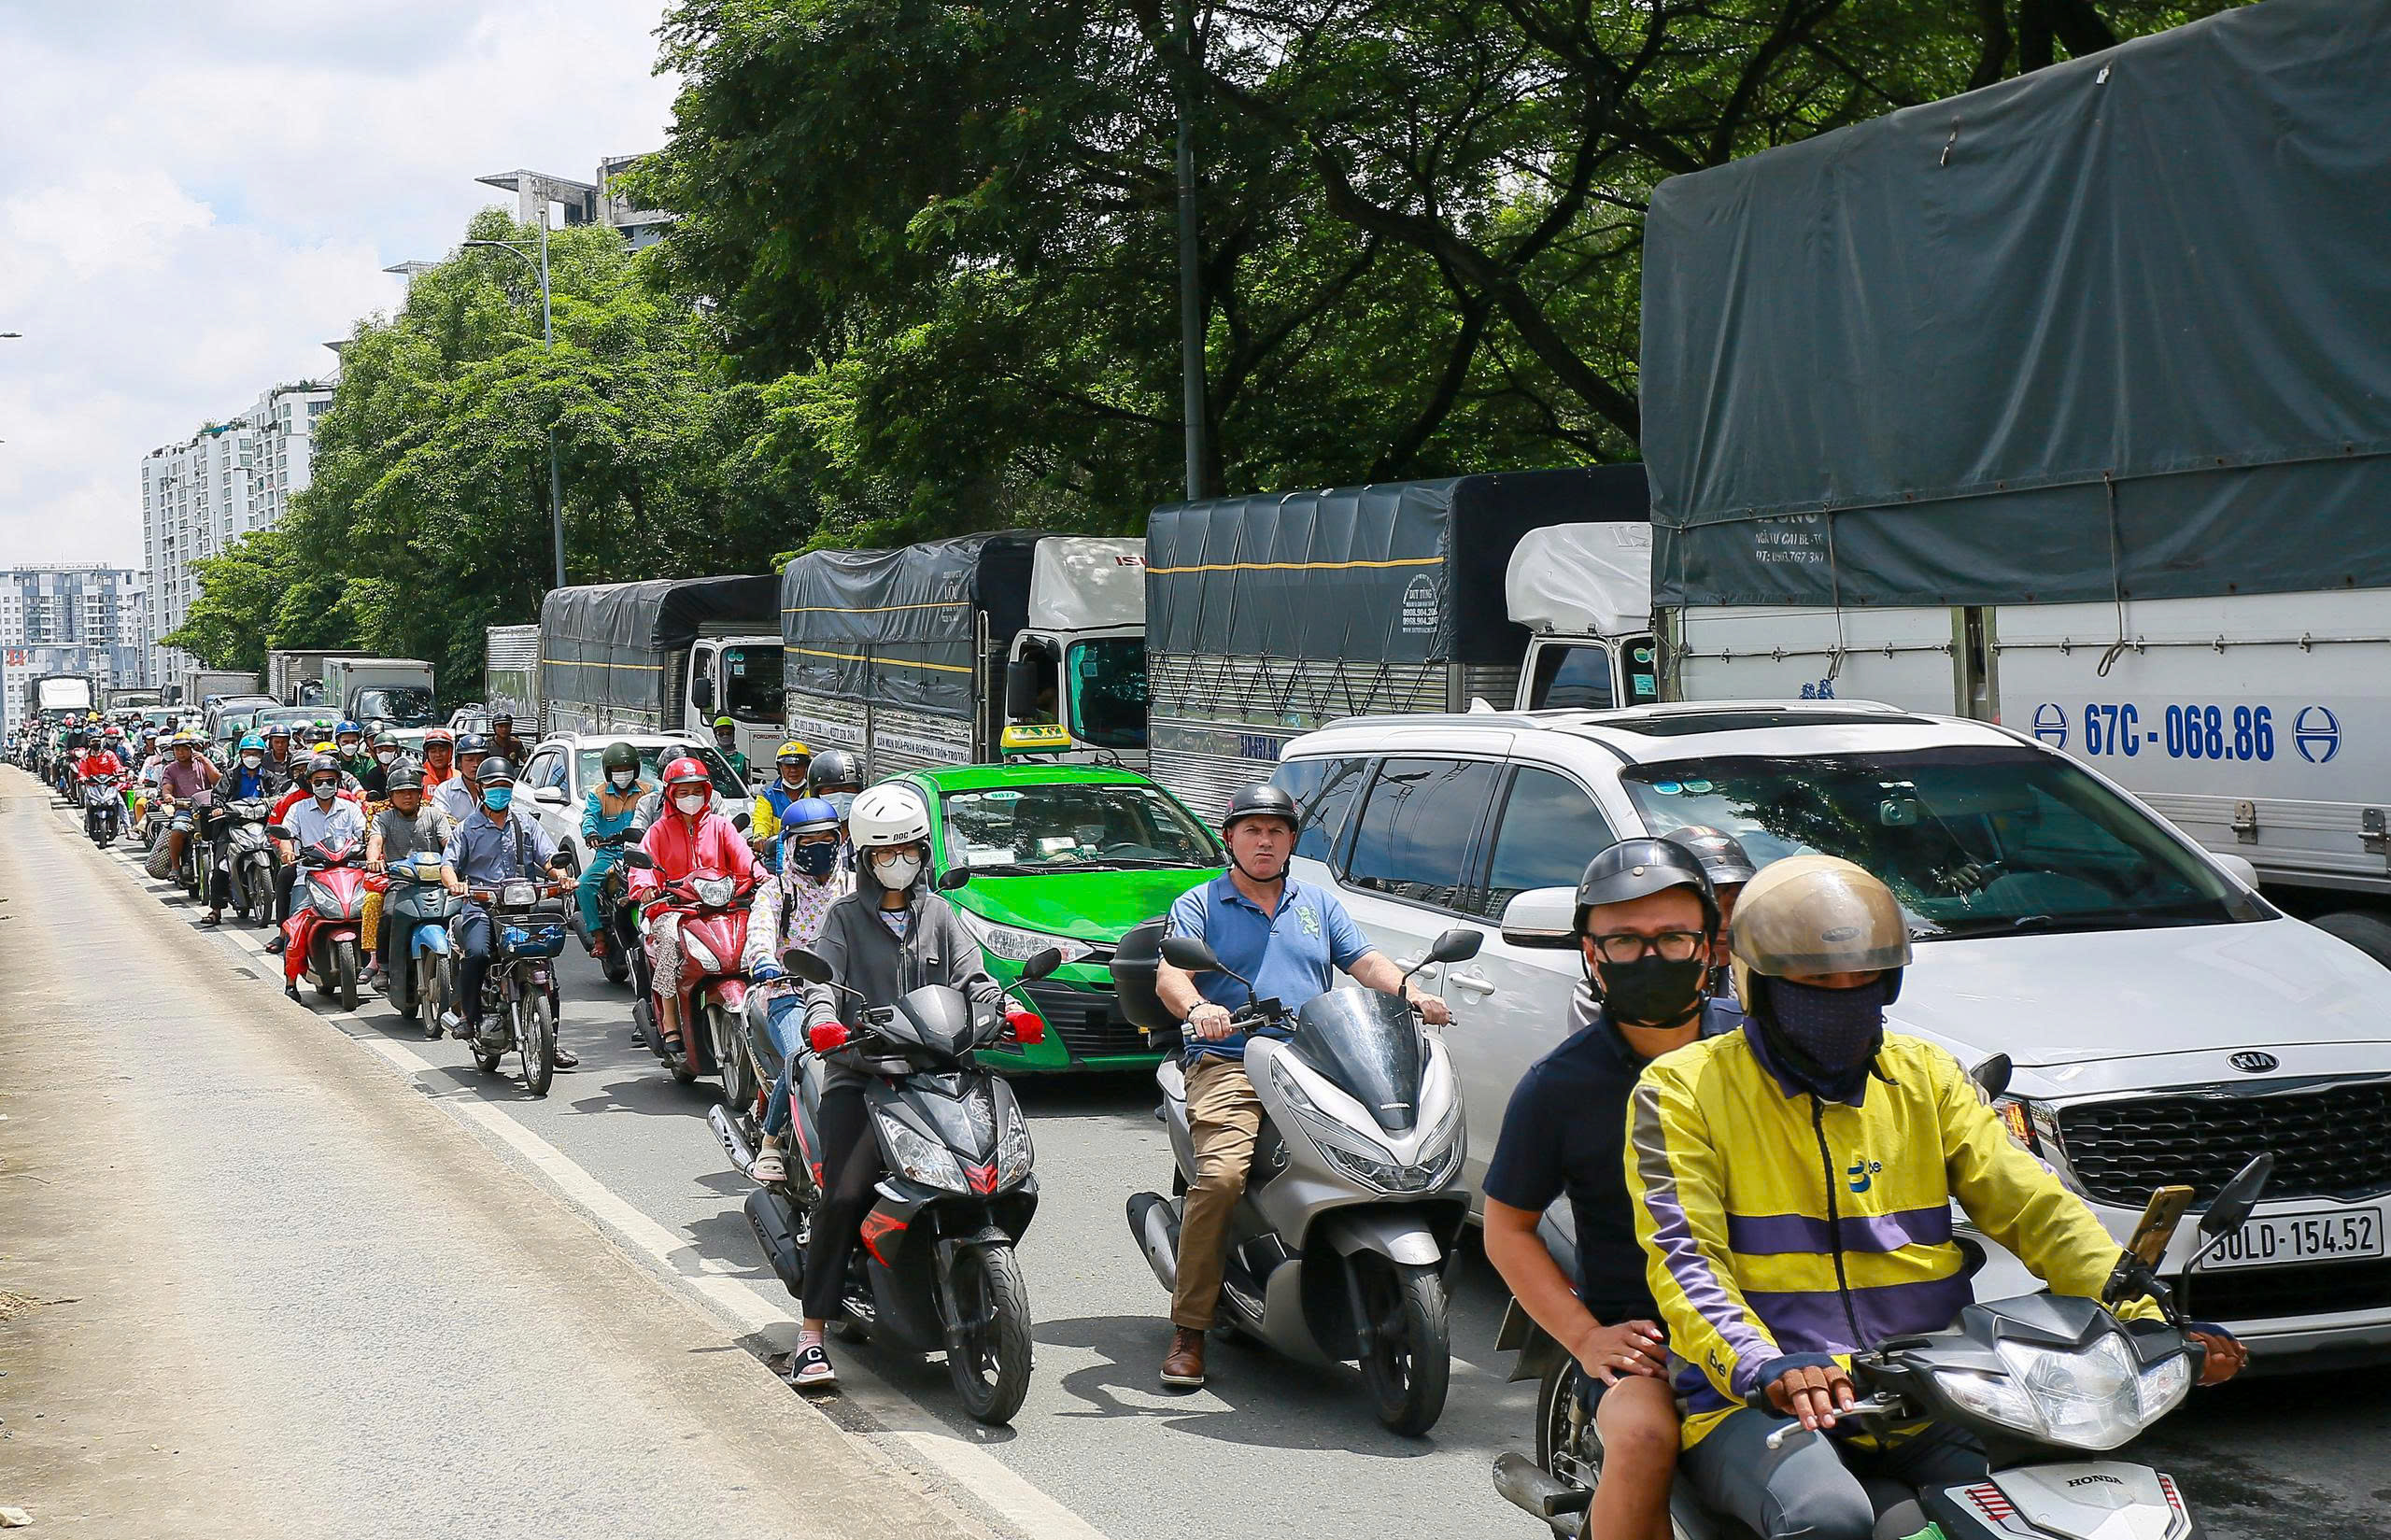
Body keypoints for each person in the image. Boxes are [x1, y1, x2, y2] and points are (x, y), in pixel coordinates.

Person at [1627, 855, 2249, 1540]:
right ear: (1759, 984)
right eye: (1816, 981)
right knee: (1827, 1519)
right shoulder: (1682, 1090)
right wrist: (1764, 1364)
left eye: (1863, 980)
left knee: (2044, 1508)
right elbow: (1686, 1263)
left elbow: (2033, 1206)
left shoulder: (1927, 1076)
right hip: (1767, 1400)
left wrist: (2140, 1312)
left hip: (1928, 1390)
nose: (1844, 996)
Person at [1150, 784, 1453, 1390]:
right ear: (1230, 837)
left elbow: (1364, 961)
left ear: (1291, 840)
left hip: (1311, 1058)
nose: (1264, 840)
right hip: (1231, 1060)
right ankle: (1190, 1329)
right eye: (1252, 830)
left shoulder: (1317, 902)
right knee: (1222, 1178)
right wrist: (1198, 1008)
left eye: (1277, 831)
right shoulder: (1200, 903)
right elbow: (1170, 974)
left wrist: (1411, 993)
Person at [1484, 841, 1738, 1540]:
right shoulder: (1558, 1085)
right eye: (1625, 940)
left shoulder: (1764, 1058)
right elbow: (1506, 1227)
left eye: (1673, 937)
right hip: (1648, 1344)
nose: (1651, 957)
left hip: (1782, 1324)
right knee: (1645, 1434)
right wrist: (1588, 1337)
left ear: (1711, 947)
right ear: (1592, 956)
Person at [786, 783, 1001, 1389]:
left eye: (907, 849)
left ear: (923, 852)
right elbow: (822, 982)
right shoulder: (844, 917)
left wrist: (1000, 1009)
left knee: (983, 1168)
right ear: (864, 858)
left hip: (935, 1072)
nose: (897, 860)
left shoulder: (939, 914)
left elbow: (973, 976)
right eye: (885, 852)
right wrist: (822, 1019)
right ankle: (811, 1335)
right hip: (861, 1076)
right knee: (845, 1192)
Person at [741, 796, 852, 1185]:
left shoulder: (854, 885)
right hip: (787, 991)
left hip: (845, 993)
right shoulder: (776, 890)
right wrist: (764, 960)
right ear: (789, 845)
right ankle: (771, 1143)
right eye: (808, 841)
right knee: (802, 1057)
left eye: (827, 838)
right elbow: (759, 929)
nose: (820, 848)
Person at [439, 756, 578, 1063]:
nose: (499, 791)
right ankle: (469, 1018)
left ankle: (550, 1043)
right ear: (481, 789)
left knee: (545, 969)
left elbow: (548, 860)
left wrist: (563, 878)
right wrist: (455, 884)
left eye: (505, 786)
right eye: (493, 786)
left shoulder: (525, 822)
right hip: (481, 907)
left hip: (523, 909)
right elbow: (447, 866)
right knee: (476, 954)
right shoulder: (467, 829)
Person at [630, 756, 757, 1058]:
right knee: (670, 944)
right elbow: (642, 865)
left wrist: (762, 877)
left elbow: (745, 858)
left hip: (723, 907)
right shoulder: (659, 831)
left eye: (696, 790)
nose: (691, 797)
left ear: (707, 791)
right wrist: (646, 886)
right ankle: (671, 1021)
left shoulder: (721, 827)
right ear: (671, 795)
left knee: (756, 938)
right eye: (683, 792)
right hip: (674, 910)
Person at [270, 756, 368, 991]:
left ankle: (380, 966)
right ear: (310, 782)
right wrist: (287, 853)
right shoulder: (297, 809)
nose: (324, 785)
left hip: (349, 875)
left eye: (329, 780)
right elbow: (287, 837)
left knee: (378, 914)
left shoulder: (351, 808)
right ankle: (291, 982)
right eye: (319, 781)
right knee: (296, 924)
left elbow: (366, 834)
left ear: (338, 782)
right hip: (309, 876)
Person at [363, 769, 453, 1016]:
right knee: (389, 914)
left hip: (437, 883)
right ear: (391, 796)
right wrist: (373, 860)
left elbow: (450, 844)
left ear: (420, 794)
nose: (407, 797)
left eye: (412, 792)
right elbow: (375, 842)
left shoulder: (434, 816)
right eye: (401, 793)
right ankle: (383, 967)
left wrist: (457, 859)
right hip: (400, 884)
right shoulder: (384, 819)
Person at [576, 742, 652, 954]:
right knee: (583, 885)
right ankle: (599, 937)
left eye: (626, 770)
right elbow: (589, 818)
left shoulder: (649, 792)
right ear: (608, 772)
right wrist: (590, 833)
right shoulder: (597, 794)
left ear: (635, 770)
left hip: (641, 854)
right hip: (609, 855)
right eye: (617, 771)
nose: (622, 774)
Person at [199, 735, 281, 927]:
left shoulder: (269, 777)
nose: (251, 757)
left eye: (256, 754)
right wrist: (218, 807)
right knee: (220, 866)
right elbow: (218, 795)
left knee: (285, 861)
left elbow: (278, 797)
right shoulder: (230, 775)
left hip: (263, 823)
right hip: (233, 824)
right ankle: (216, 910)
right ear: (241, 755)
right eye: (248, 753)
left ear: (262, 755)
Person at [153, 731, 221, 884]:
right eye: (177, 749)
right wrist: (168, 797)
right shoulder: (170, 769)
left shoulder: (202, 763)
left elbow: (218, 781)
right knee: (178, 830)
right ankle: (175, 866)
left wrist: (205, 761)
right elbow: (167, 788)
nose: (180, 752)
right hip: (184, 809)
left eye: (184, 749)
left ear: (192, 749)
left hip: (206, 808)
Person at [747, 740, 814, 869]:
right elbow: (761, 819)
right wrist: (760, 837)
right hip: (775, 855)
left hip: (808, 853)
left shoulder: (814, 792)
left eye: (798, 765)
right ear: (780, 768)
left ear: (807, 767)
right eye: (788, 766)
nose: (793, 770)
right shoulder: (768, 793)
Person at [432, 734, 490, 825]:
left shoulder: (496, 789)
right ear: (459, 763)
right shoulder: (445, 790)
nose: (476, 765)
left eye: (480, 760)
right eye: (470, 760)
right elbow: (441, 823)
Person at [417, 727, 459, 791]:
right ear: (427, 754)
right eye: (433, 751)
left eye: (442, 750)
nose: (438, 755)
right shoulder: (419, 778)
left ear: (450, 752)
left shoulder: (458, 777)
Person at [711, 714, 749, 779]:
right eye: (721, 734)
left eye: (728, 733)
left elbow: (744, 782)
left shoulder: (740, 758)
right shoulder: (712, 755)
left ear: (733, 734)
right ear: (715, 735)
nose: (725, 736)